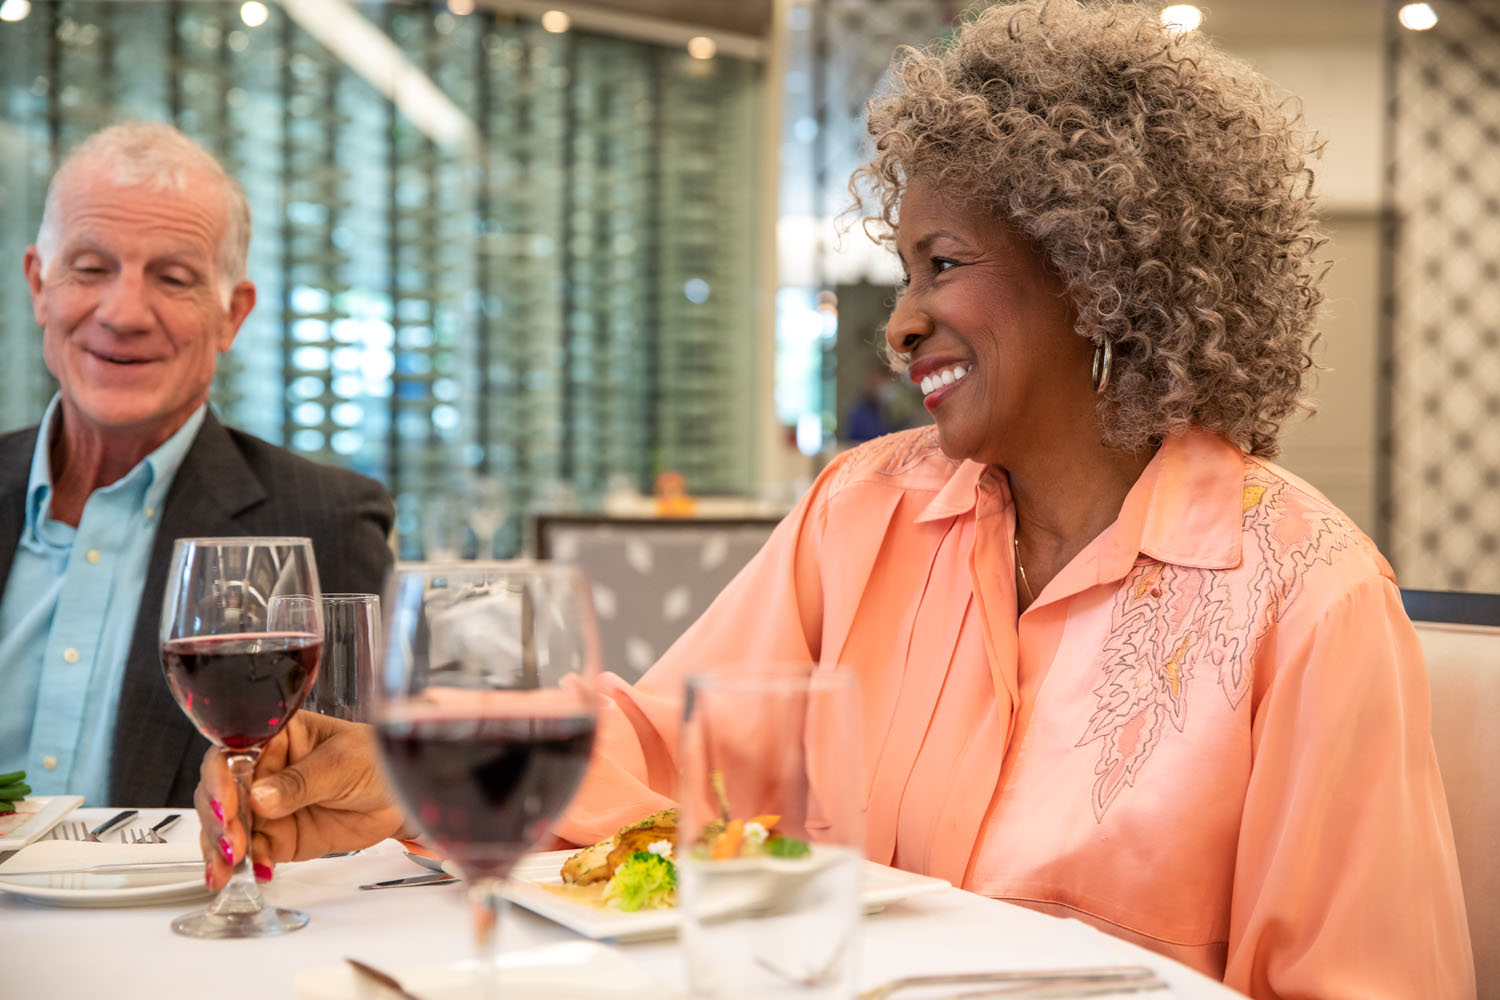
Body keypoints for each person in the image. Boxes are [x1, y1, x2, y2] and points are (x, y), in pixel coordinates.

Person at [194, 4, 1474, 996]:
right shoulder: (863, 511)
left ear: (1098, 276)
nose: (902, 319)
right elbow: (666, 758)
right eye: (899, 266)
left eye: (942, 264)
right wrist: (408, 778)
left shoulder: (1307, 594)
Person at [0, 122, 394, 809]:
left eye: (174, 278)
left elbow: (355, 811)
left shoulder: (324, 523)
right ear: (40, 284)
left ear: (231, 315)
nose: (122, 314)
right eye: (90, 269)